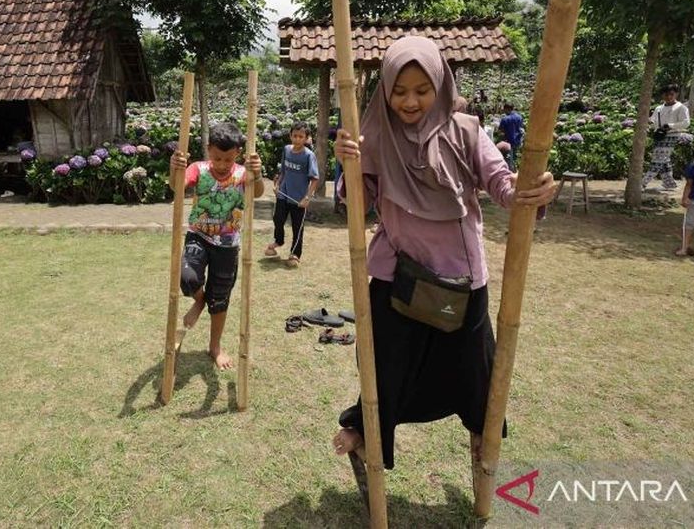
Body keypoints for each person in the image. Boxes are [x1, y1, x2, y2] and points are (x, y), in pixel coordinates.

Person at [328, 36, 559, 469]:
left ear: (441, 84)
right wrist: (349, 165)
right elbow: (359, 204)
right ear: (386, 90)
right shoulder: (373, 136)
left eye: (421, 90)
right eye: (399, 91)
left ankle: (481, 436)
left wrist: (533, 191)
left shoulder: (467, 130)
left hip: (460, 279)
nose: (409, 101)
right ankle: (365, 434)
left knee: (475, 370)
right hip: (398, 276)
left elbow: (502, 185)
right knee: (384, 365)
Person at [170, 122, 264, 370]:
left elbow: (256, 193)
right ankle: (199, 301)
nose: (222, 165)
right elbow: (176, 187)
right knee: (187, 278)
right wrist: (174, 169)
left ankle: (215, 347)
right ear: (208, 150)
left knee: (220, 300)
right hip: (198, 237)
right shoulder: (197, 169)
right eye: (217, 158)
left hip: (228, 246)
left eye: (228, 159)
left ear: (238, 154)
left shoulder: (243, 174)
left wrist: (258, 174)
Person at [266, 122, 319, 267]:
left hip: (299, 199)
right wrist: (277, 186)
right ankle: (279, 240)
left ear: (306, 138)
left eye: (301, 137)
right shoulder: (286, 150)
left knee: (297, 227)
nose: (297, 139)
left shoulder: (309, 156)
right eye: (294, 136)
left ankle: (295, 254)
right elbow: (283, 170)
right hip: (283, 194)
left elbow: (315, 179)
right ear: (290, 136)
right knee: (278, 218)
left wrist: (307, 198)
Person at [643, 84, 691, 191]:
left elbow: (686, 123)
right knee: (664, 159)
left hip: (672, 134)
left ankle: (643, 182)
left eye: (671, 94)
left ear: (676, 94)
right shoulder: (659, 108)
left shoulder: (681, 107)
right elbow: (653, 120)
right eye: (666, 95)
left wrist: (670, 126)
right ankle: (669, 183)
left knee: (658, 159)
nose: (669, 97)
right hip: (659, 135)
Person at [497, 103, 524, 171]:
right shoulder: (519, 117)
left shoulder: (505, 119)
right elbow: (520, 128)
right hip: (517, 141)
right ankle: (516, 171)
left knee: (509, 160)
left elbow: (500, 131)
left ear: (506, 109)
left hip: (508, 142)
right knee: (514, 158)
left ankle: (511, 173)